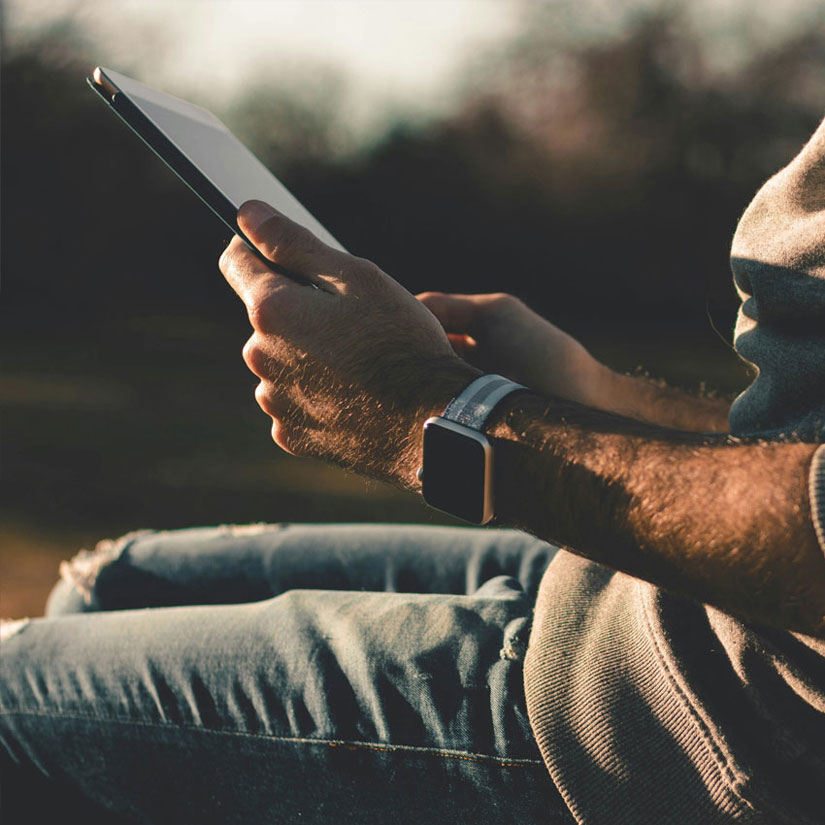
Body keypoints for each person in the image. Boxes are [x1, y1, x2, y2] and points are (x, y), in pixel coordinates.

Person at [3, 113, 825, 825]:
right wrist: (597, 397)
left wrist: (434, 413)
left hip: (708, 718)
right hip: (670, 591)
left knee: (13, 691)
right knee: (109, 584)